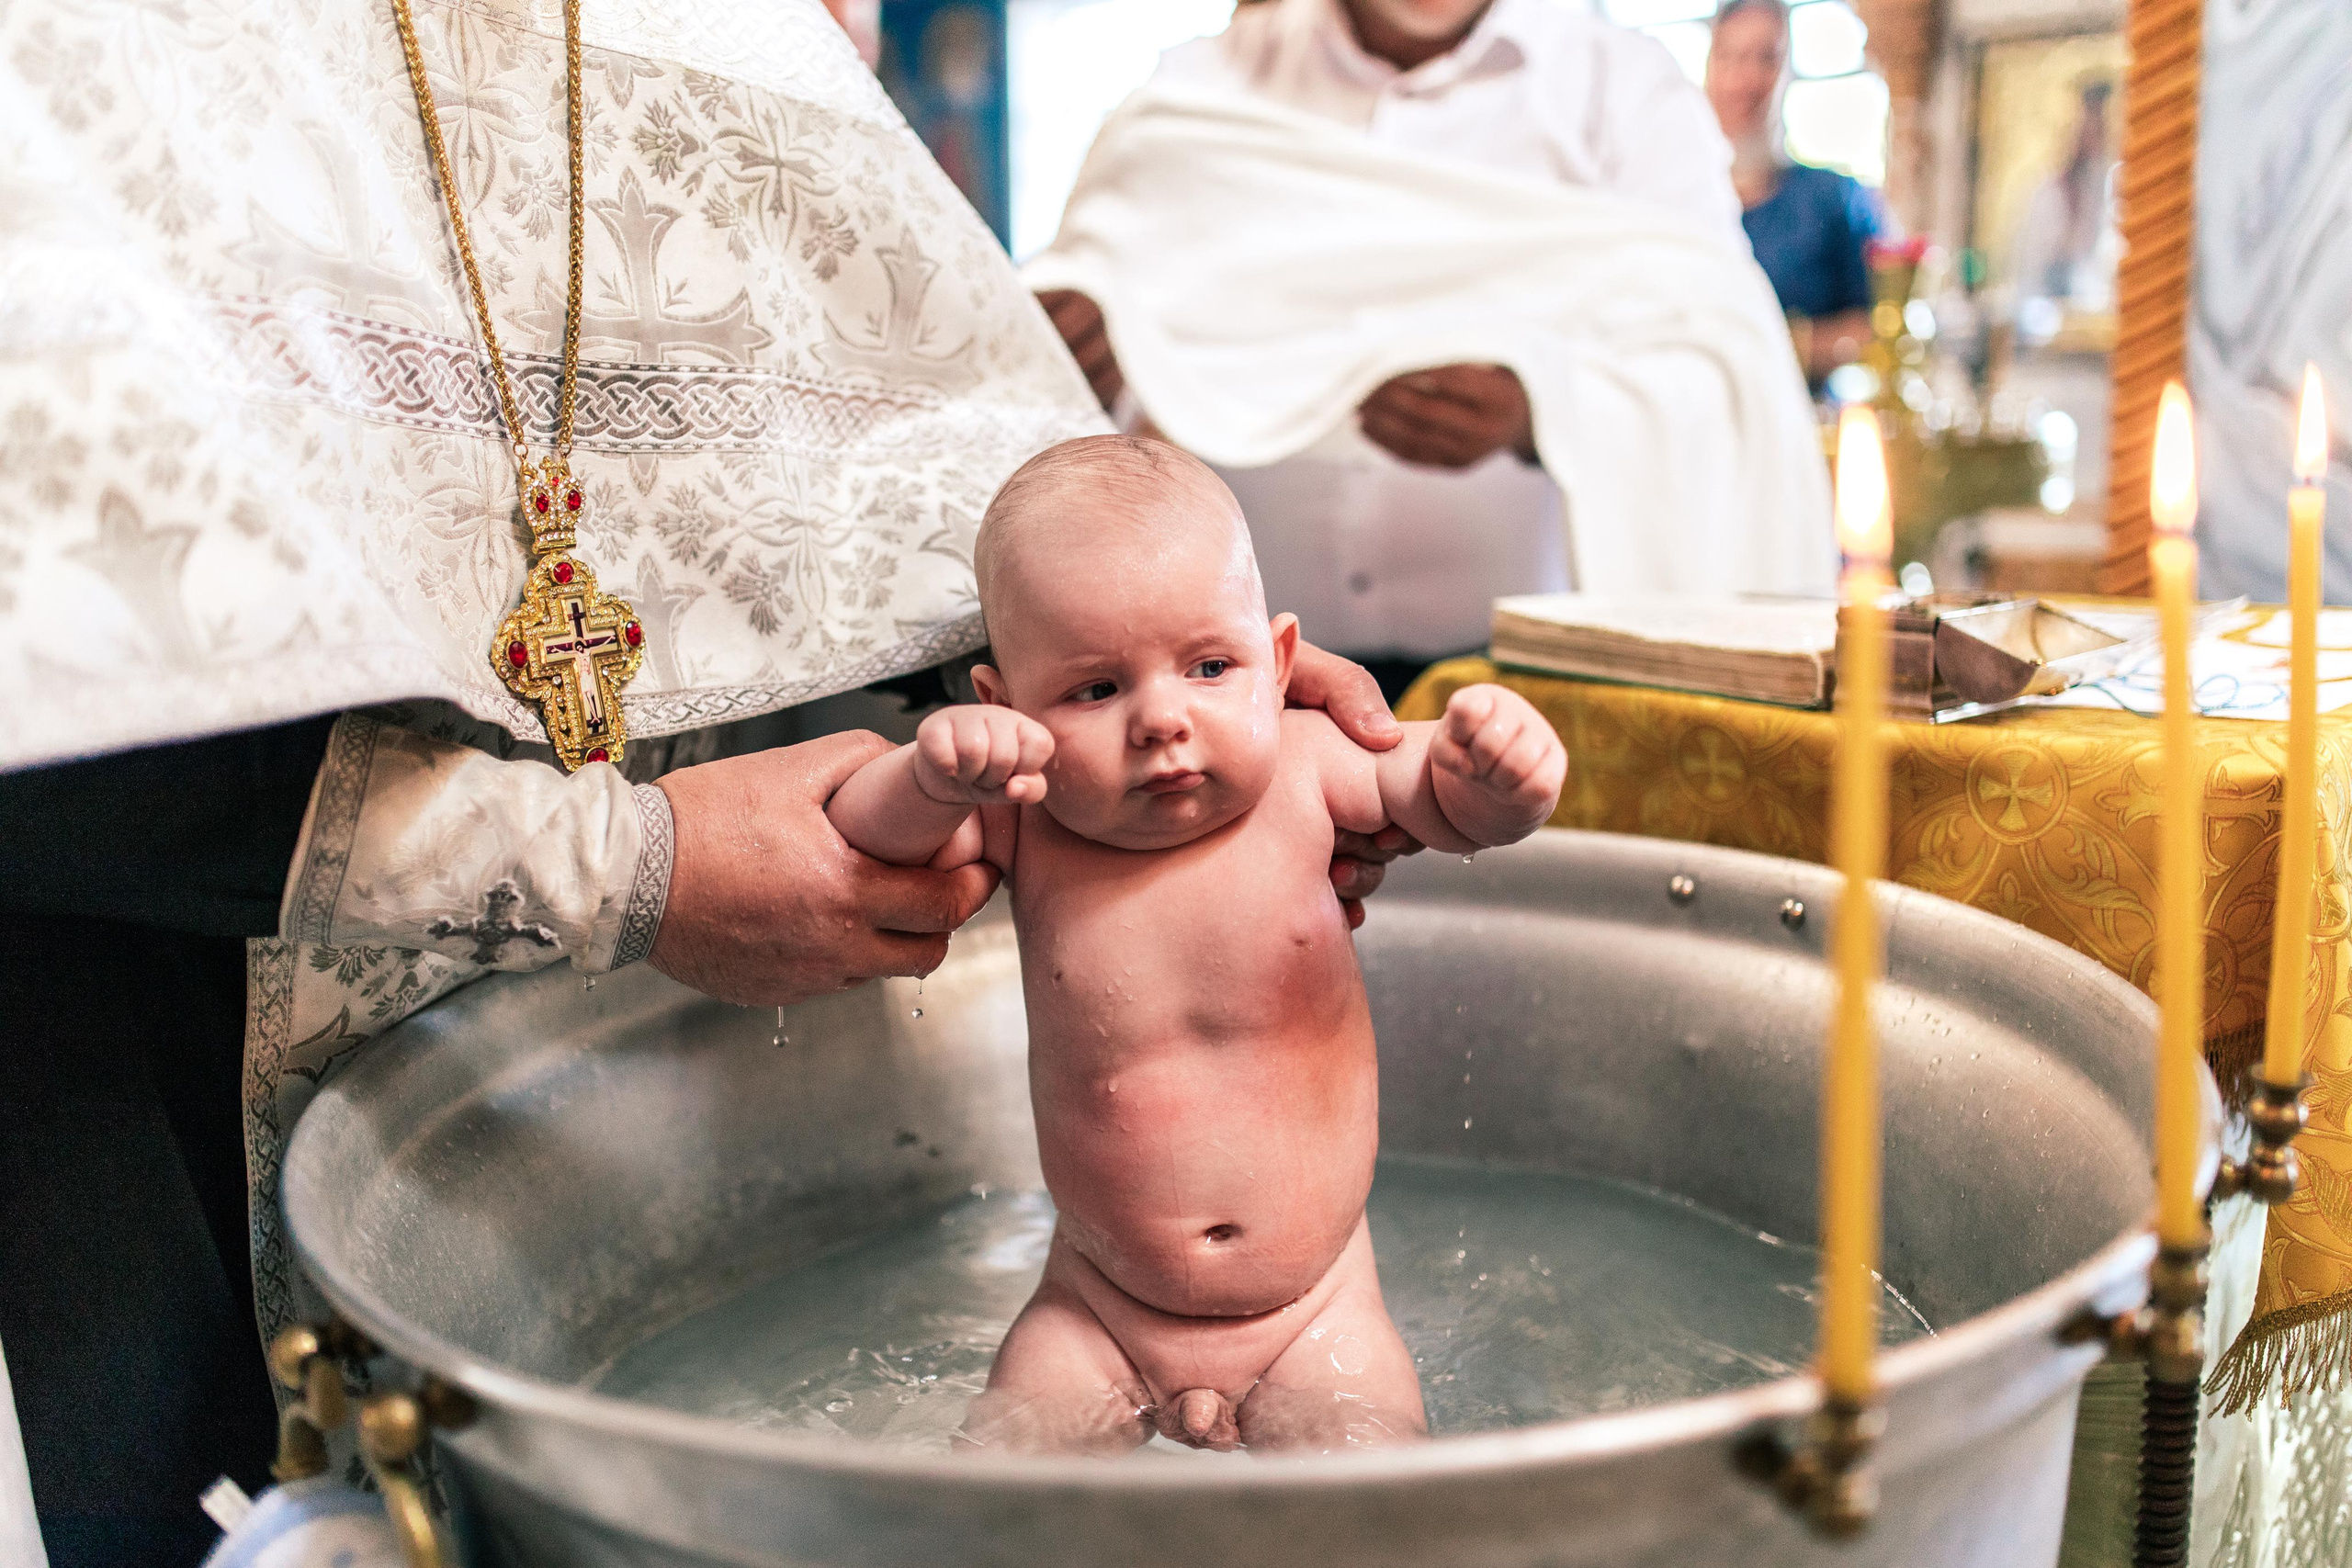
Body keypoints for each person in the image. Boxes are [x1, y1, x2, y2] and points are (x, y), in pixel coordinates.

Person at [0, 2, 1416, 1562]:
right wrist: (621, 862)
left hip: (671, 1092)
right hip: (151, 1057)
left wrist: (1192, 725)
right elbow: (63, 662)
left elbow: (901, 526)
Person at [824, 436, 1566, 1453]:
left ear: (1282, 663)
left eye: (1211, 667)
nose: (1162, 718)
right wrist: (929, 775)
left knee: (1372, 1518)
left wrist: (1504, 773)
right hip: (1094, 1312)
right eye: (1094, 691)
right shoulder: (1025, 814)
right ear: (1002, 711)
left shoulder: (1310, 765)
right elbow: (870, 843)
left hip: (1315, 1315)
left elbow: (1441, 799)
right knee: (992, 1507)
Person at [1034, 0, 1833, 705]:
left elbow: (1724, 358)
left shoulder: (1621, 91)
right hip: (1239, 698)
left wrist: (1537, 410)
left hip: (1527, 694)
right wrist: (1074, 356)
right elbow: (1067, 330)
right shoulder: (1194, 91)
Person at [1702, 0, 1884, 385]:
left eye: (1765, 58)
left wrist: (1780, 347)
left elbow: (1883, 325)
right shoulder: (1671, 200)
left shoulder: (1835, 198)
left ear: (1788, 71)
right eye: (1731, 57)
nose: (1746, 79)